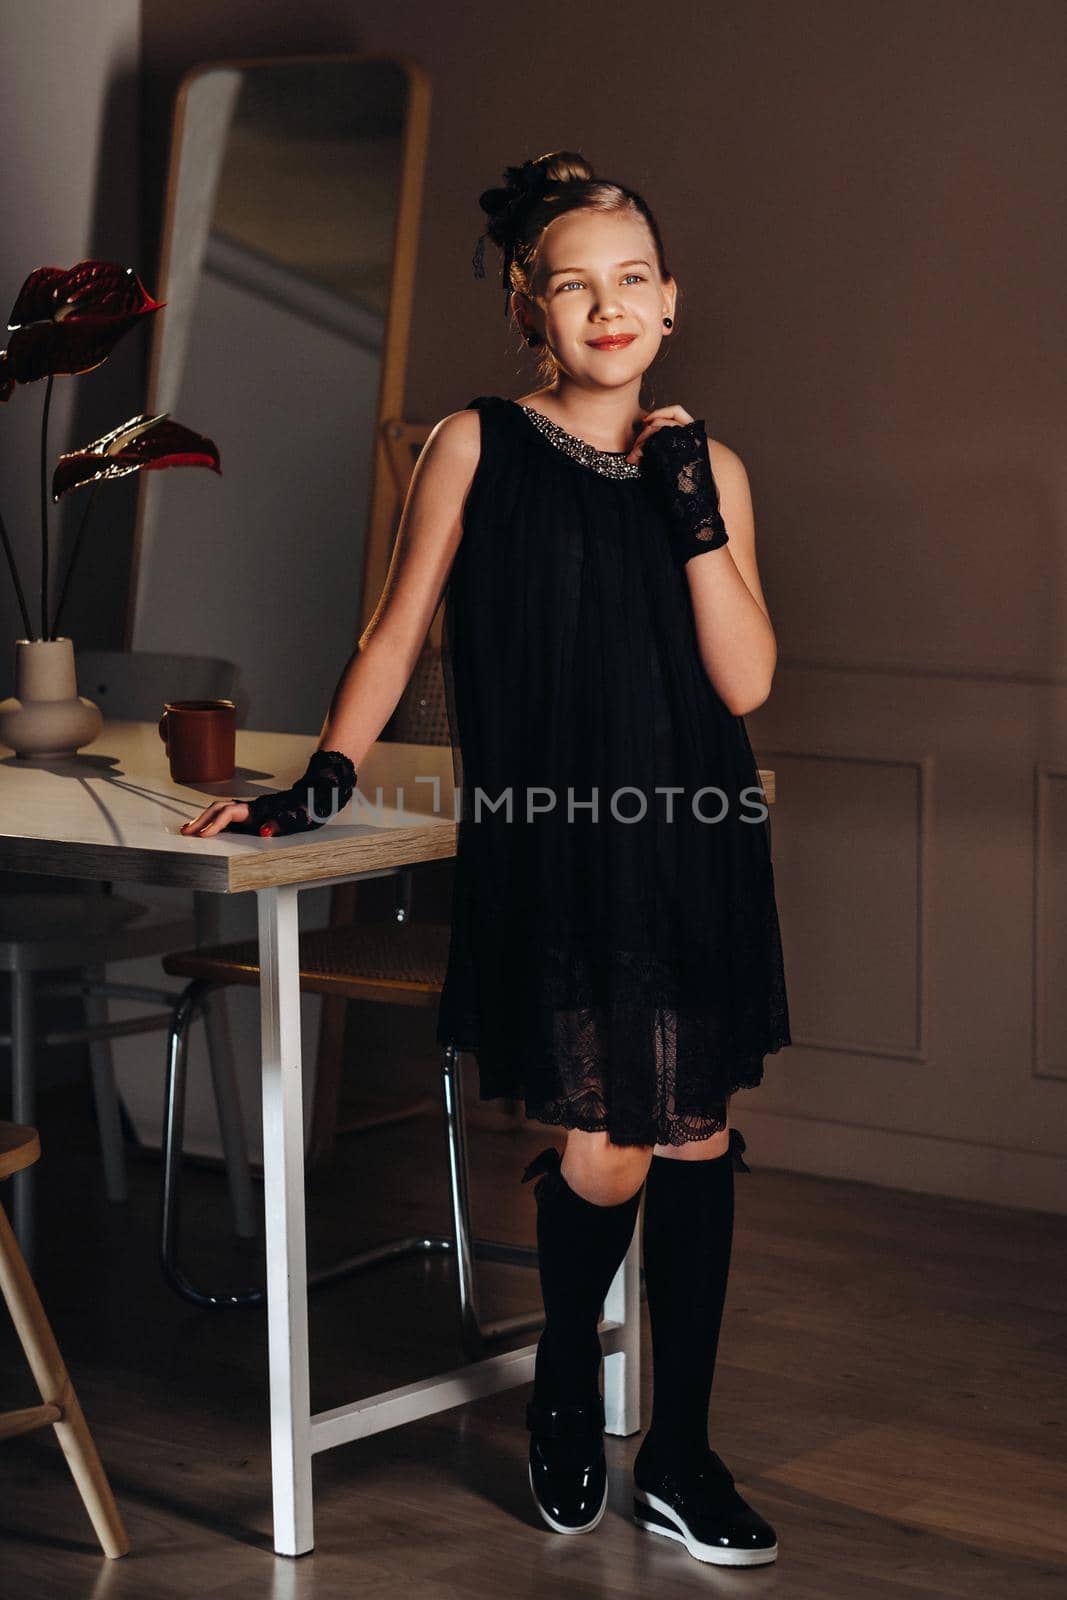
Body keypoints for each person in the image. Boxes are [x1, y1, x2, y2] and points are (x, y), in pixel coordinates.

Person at [179, 148, 791, 1568]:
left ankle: (684, 1451)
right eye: (574, 288)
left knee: (693, 1132)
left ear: (671, 301)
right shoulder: (475, 445)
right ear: (530, 313)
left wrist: (692, 502)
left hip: (690, 850)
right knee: (610, 1138)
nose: (608, 308)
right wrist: (316, 778)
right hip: (559, 855)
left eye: (632, 281)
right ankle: (568, 1379)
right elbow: (396, 632)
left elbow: (747, 678)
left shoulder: (713, 471)